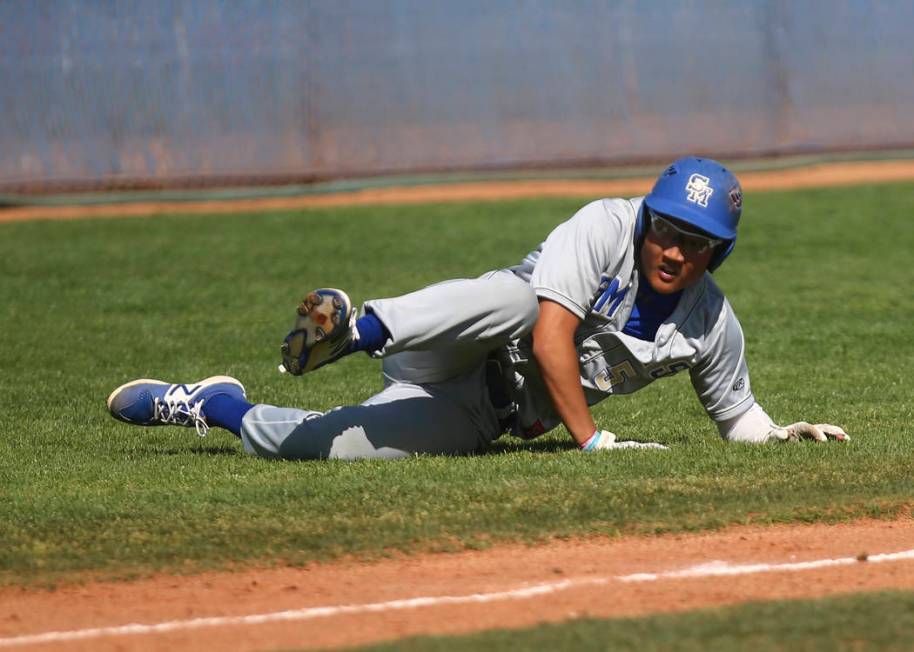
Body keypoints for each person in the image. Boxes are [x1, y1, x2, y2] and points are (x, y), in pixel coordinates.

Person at [106, 156, 849, 459]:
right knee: (521, 298)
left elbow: (738, 420)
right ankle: (356, 329)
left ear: (715, 255)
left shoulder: (711, 323)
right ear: (648, 217)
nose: (672, 248)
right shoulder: (605, 225)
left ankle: (211, 405)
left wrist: (780, 433)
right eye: (666, 227)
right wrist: (594, 446)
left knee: (328, 449)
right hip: (456, 339)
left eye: (695, 242)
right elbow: (553, 335)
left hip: (483, 414)